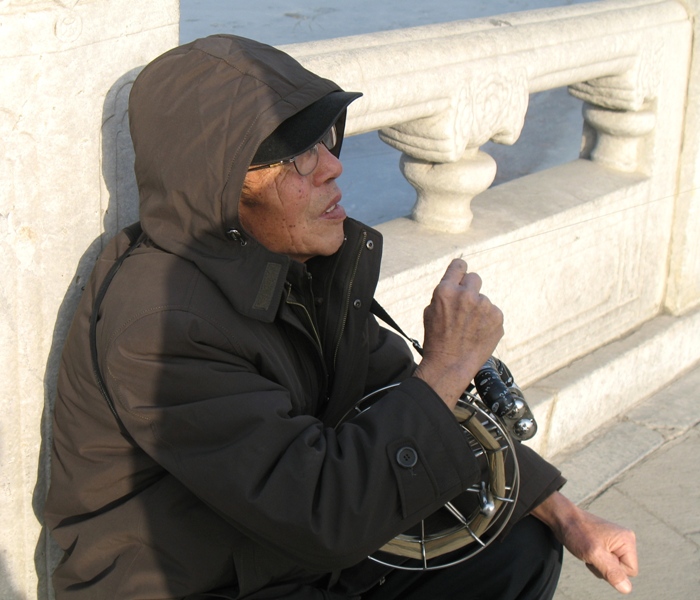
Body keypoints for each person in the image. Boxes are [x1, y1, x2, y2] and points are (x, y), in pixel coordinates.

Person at [45, 34, 637, 599]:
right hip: (204, 582)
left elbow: (394, 390)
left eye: (327, 140)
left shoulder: (290, 262)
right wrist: (451, 363)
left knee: (520, 545)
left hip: (287, 559)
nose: (333, 168)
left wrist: (567, 513)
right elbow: (323, 514)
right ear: (223, 185)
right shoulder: (161, 323)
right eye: (300, 158)